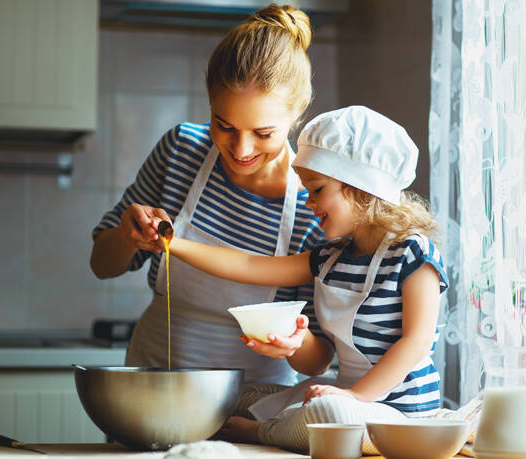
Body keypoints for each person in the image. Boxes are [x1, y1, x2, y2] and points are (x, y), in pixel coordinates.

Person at [162, 105, 449, 454]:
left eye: (317, 190)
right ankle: (285, 423)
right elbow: (251, 266)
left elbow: (417, 342)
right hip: (345, 398)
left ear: (360, 186)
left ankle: (262, 433)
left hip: (400, 417)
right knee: (241, 394)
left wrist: (355, 396)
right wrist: (171, 242)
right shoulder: (330, 258)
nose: (309, 202)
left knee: (332, 411)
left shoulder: (413, 255)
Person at [90, 4, 326, 388]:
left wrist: (293, 342)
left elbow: (318, 360)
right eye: (224, 125)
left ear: (296, 115)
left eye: (263, 133)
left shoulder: (312, 203)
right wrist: (126, 235)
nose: (241, 148)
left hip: (252, 411)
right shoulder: (181, 150)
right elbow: (102, 264)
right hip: (150, 387)